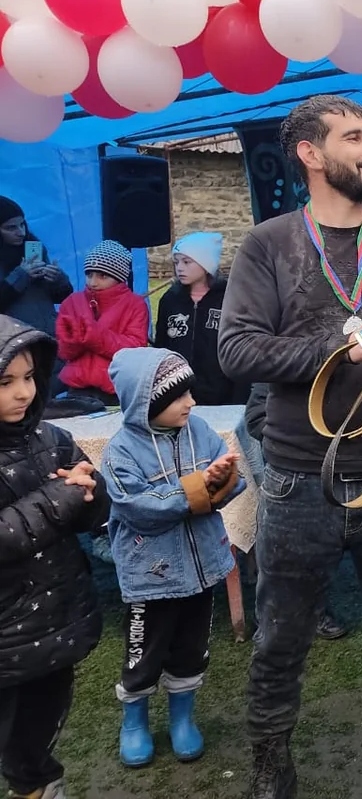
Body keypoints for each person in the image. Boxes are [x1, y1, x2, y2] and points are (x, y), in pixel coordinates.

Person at [218, 95, 362, 799]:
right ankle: (270, 764)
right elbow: (236, 350)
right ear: (310, 154)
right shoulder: (269, 243)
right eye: (354, 137)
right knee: (280, 636)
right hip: (296, 477)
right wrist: (343, 346)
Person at [102, 349, 243, 768]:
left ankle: (183, 718)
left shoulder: (199, 430)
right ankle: (134, 721)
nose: (190, 402)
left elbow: (232, 484)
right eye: (178, 396)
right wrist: (201, 487)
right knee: (143, 653)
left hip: (203, 570)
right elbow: (139, 508)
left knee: (191, 649)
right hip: (151, 578)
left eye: (189, 392)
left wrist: (224, 478)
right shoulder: (121, 451)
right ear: (144, 402)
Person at [0, 315, 110, 799]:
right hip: (6, 635)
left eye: (29, 377)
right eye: (5, 382)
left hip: (53, 624)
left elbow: (91, 515)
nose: (23, 393)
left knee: (37, 740)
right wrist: (58, 500)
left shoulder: (51, 439)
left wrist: (91, 492)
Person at [239, 382, 350, 642]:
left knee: (321, 553)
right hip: (290, 474)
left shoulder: (346, 369)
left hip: (340, 472)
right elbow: (256, 416)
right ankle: (272, 620)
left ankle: (315, 611)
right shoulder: (282, 368)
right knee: (281, 554)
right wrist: (293, 444)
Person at [154, 231, 249, 407]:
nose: (180, 268)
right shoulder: (170, 300)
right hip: (179, 394)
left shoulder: (230, 298)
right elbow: (161, 346)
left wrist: (240, 397)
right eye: (176, 262)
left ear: (206, 263)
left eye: (186, 262)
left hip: (224, 395)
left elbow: (242, 347)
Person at [54, 240, 149, 405]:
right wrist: (72, 341)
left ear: (119, 277)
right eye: (89, 274)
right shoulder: (72, 302)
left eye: (102, 276)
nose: (93, 282)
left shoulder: (134, 305)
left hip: (117, 389)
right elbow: (63, 352)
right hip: (77, 388)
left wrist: (95, 336)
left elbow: (135, 349)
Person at [0, 197, 72, 336]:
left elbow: (60, 297)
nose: (21, 232)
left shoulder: (33, 248)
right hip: (15, 340)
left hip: (49, 335)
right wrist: (21, 275)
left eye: (22, 224)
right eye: (11, 228)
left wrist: (57, 279)